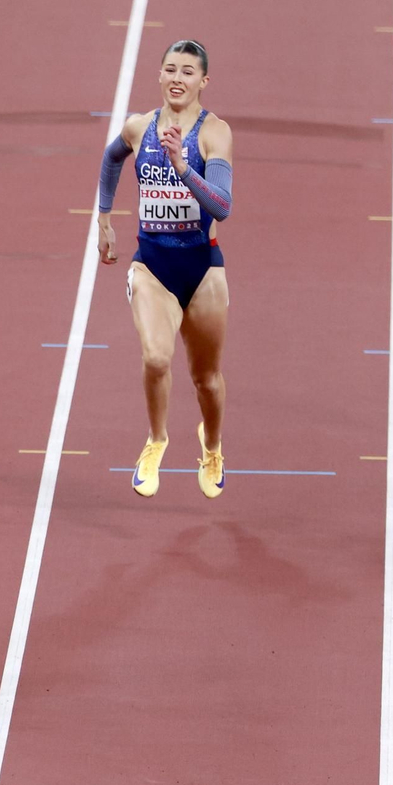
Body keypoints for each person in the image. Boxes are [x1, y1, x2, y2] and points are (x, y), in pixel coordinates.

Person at [96, 39, 234, 499]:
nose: (178, 78)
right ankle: (156, 440)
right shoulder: (139, 128)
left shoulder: (215, 133)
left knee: (206, 381)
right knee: (156, 358)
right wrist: (104, 217)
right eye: (170, 69)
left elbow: (222, 206)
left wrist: (182, 166)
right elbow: (112, 158)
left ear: (203, 81)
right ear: (159, 75)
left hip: (202, 269)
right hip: (151, 265)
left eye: (188, 71)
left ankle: (211, 446)